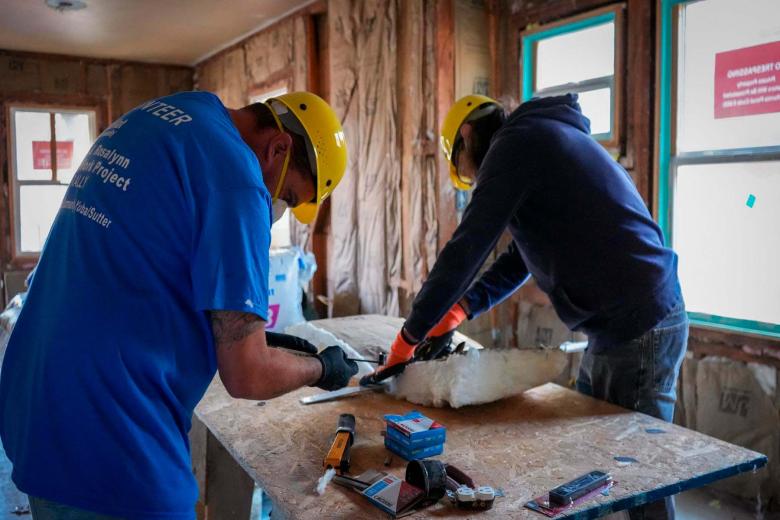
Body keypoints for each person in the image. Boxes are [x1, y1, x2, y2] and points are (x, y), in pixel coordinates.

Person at [0, 90, 358, 519]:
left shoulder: (163, 116)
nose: (278, 209)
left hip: (39, 411)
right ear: (278, 149)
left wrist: (237, 330)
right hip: (111, 433)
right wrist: (322, 369)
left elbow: (140, 268)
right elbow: (247, 374)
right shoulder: (239, 177)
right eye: (290, 197)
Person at [373, 94, 687, 520]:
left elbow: (468, 246)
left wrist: (408, 338)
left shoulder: (518, 143)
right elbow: (520, 259)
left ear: (467, 135)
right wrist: (461, 308)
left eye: (466, 170)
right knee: (594, 467)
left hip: (640, 321)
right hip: (623, 321)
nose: (474, 180)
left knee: (638, 474)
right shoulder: (539, 140)